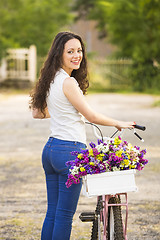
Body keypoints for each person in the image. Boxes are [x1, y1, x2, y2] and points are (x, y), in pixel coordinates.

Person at [29, 31, 134, 240]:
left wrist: (64, 110)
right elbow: (91, 115)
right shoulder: (68, 82)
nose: (76, 55)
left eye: (79, 51)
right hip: (69, 152)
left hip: (50, 151)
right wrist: (118, 123)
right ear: (59, 53)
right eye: (70, 51)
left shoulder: (50, 79)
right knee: (64, 216)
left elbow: (37, 113)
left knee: (53, 212)